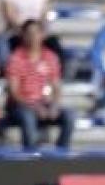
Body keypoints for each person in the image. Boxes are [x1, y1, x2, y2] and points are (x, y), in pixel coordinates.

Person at [5, 19, 73, 149]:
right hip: (22, 105)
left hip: (44, 103)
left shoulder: (50, 57)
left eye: (36, 33)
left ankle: (61, 152)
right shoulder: (15, 59)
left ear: (42, 35)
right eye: (29, 33)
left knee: (69, 116)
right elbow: (14, 92)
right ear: (23, 36)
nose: (33, 37)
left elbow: (56, 87)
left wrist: (54, 105)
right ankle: (31, 156)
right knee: (28, 117)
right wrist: (34, 106)